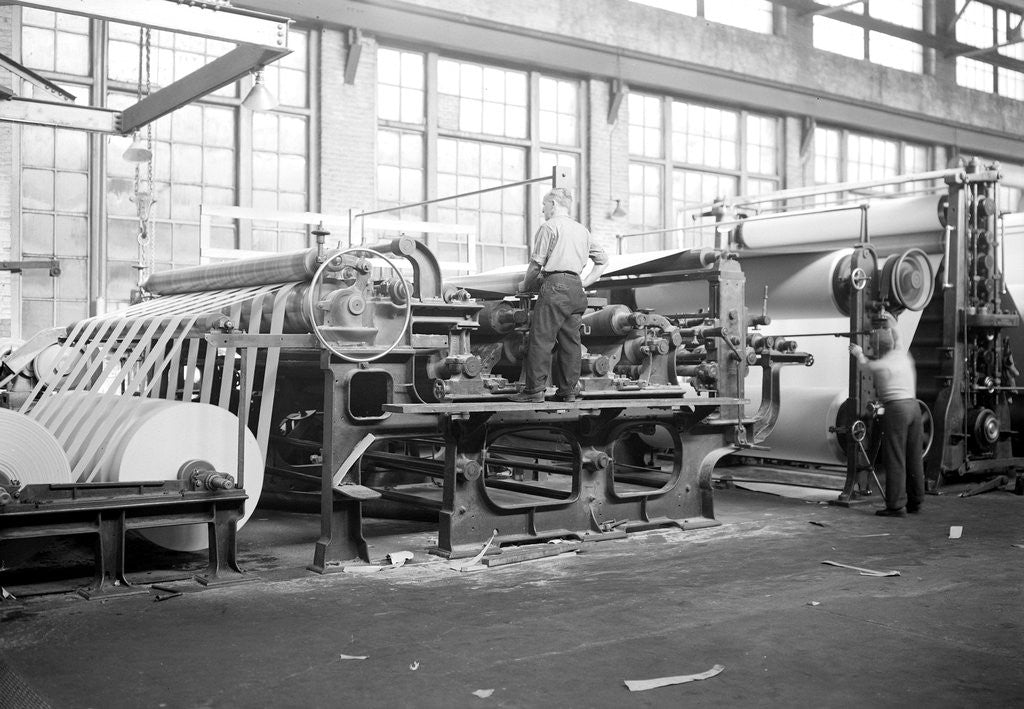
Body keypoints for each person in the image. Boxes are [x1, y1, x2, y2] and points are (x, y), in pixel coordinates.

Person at [509, 188, 609, 403]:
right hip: (576, 289)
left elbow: (536, 265)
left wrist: (525, 286)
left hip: (555, 288)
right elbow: (603, 260)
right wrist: (585, 282)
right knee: (570, 342)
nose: (543, 210)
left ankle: (534, 391)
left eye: (544, 205)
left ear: (553, 204)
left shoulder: (549, 227)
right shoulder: (582, 231)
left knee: (541, 339)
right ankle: (568, 391)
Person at [849, 323, 925, 517]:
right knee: (914, 457)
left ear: (877, 348)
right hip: (914, 408)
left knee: (895, 457)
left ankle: (896, 506)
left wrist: (858, 352)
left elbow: (864, 365)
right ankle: (916, 502)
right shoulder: (902, 354)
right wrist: (890, 320)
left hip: (896, 410)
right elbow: (898, 336)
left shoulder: (880, 365)